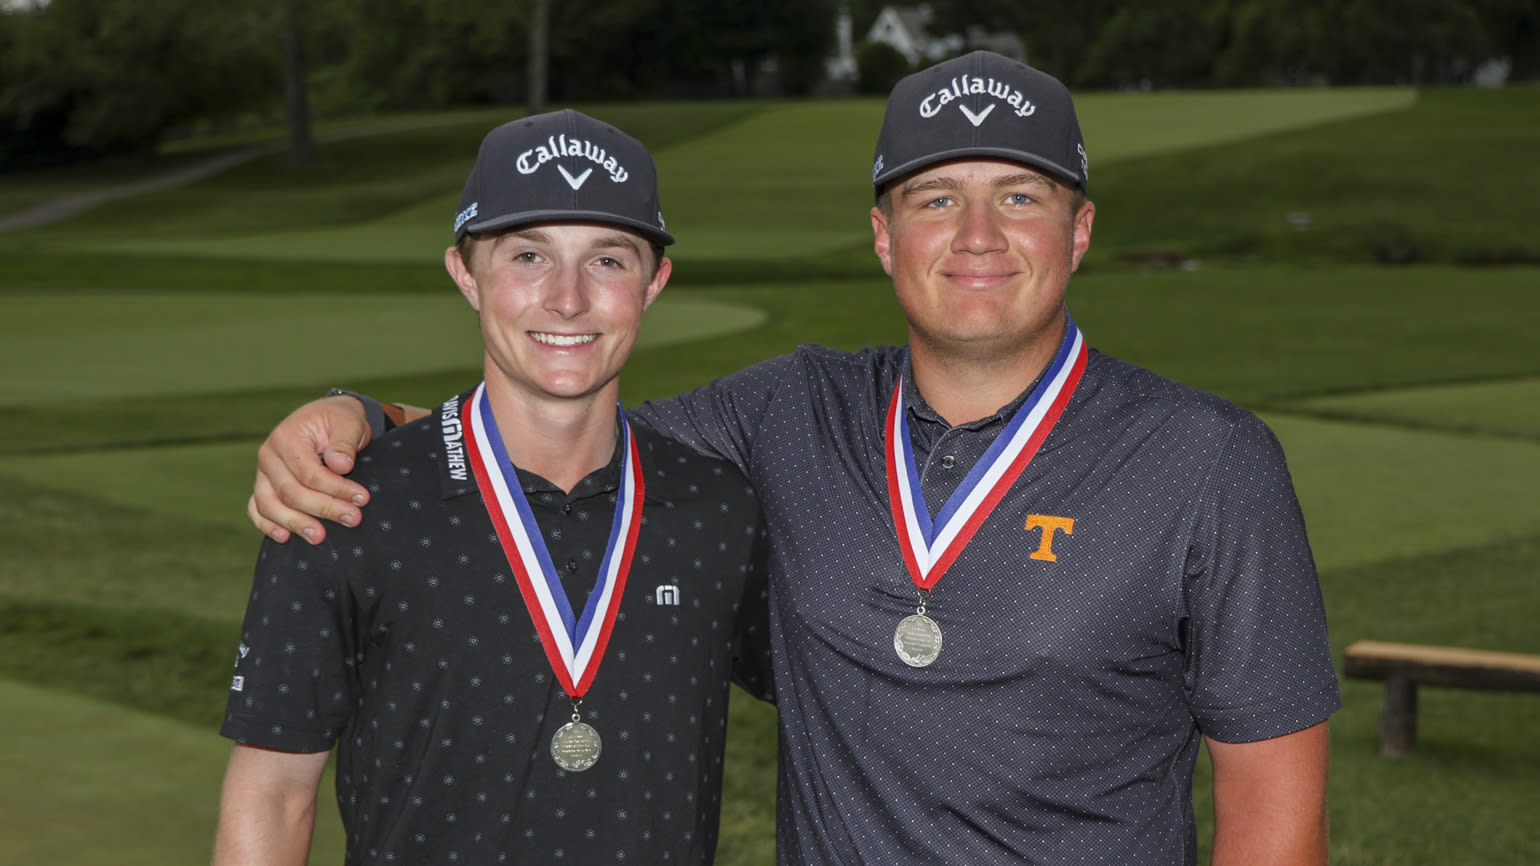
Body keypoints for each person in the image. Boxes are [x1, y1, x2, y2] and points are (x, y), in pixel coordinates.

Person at [250, 52, 1339, 864]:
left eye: (1018, 195)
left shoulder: (1210, 460)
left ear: (1080, 228)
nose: (975, 233)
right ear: (882, 237)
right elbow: (555, 433)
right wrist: (358, 413)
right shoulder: (787, 410)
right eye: (933, 198)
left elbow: (1273, 805)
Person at [214, 109, 772, 866]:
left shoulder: (719, 507)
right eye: (527, 256)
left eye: (608, 259)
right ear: (465, 274)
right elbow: (274, 794)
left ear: (654, 282)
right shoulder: (343, 503)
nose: (568, 298)